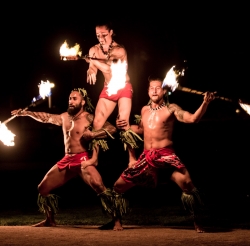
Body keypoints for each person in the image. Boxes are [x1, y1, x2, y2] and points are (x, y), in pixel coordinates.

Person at [112, 77, 215, 232]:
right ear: (147, 91)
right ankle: (117, 222)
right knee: (117, 187)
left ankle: (197, 221)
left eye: (158, 87)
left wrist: (205, 103)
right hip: (147, 156)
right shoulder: (144, 110)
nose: (154, 90)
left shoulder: (171, 109)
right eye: (151, 88)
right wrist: (125, 125)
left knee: (188, 184)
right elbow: (140, 130)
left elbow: (193, 118)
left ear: (164, 91)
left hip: (166, 156)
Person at [11, 88, 117, 227]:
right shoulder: (64, 117)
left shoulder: (89, 117)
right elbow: (46, 117)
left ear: (83, 102)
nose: (71, 101)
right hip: (67, 159)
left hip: (82, 159)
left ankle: (116, 220)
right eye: (70, 98)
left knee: (99, 185)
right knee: (42, 188)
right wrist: (26, 113)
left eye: (75, 99)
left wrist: (93, 135)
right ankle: (50, 220)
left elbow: (112, 129)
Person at [84, 21, 142, 165]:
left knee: (123, 123)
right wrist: (90, 70)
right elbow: (93, 67)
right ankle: (94, 158)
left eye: (104, 34)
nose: (101, 38)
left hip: (123, 86)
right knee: (97, 122)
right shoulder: (93, 50)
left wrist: (92, 61)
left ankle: (132, 158)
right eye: (98, 35)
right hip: (108, 87)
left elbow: (109, 69)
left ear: (111, 32)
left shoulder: (119, 50)